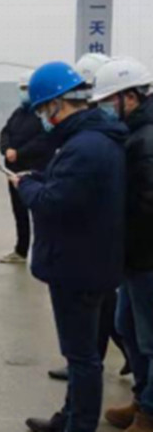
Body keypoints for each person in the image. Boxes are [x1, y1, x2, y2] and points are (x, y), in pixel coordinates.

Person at [13, 61, 127, 432]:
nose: (44, 118)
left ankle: (79, 425)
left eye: (43, 110)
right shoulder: (89, 140)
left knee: (82, 357)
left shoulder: (85, 146)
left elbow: (52, 203)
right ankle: (69, 418)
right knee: (80, 354)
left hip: (78, 265)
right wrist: (40, 178)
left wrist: (25, 185)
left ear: (57, 104)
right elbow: (68, 186)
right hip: (84, 259)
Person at [93, 58, 153, 431]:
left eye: (108, 101)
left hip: (147, 256)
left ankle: (150, 412)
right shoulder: (134, 132)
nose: (105, 108)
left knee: (149, 336)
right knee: (127, 326)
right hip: (134, 256)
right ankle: (143, 398)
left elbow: (146, 205)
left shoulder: (147, 139)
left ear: (129, 97)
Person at [0, 71, 56, 265]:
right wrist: (6, 149)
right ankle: (21, 250)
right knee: (19, 212)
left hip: (36, 171)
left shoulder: (43, 114)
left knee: (40, 214)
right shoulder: (18, 113)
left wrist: (19, 152)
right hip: (14, 172)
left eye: (27, 89)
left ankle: (44, 252)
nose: (24, 92)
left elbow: (43, 141)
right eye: (21, 88)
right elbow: (5, 132)